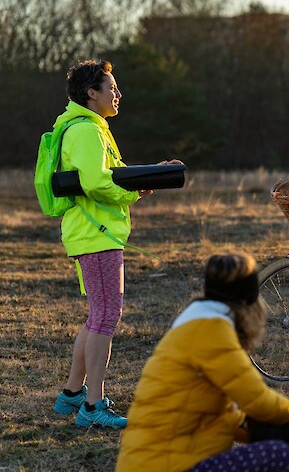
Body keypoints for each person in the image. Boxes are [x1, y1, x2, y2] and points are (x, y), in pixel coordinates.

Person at [51, 60, 180, 429]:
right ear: (92, 93)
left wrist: (152, 173)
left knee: (98, 314)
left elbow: (112, 175)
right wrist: (130, 192)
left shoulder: (88, 128)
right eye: (111, 88)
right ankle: (93, 406)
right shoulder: (87, 132)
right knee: (107, 316)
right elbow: (97, 184)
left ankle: (72, 395)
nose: (118, 94)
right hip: (96, 233)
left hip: (93, 232)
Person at [117, 252, 289, 471]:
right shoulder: (212, 331)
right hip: (167, 465)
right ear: (248, 303)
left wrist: (267, 430)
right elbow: (258, 402)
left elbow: (218, 417)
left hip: (150, 462)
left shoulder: (193, 325)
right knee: (279, 455)